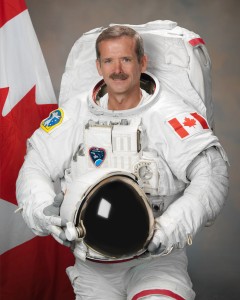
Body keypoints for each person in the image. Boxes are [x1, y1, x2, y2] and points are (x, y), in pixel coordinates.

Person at [16, 25, 229, 300]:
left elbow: (212, 175)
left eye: (126, 59)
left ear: (142, 62)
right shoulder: (75, 113)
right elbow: (35, 165)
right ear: (98, 66)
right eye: (108, 60)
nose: (117, 69)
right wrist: (45, 212)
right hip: (93, 269)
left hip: (155, 262)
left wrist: (171, 227)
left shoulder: (170, 115)